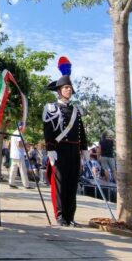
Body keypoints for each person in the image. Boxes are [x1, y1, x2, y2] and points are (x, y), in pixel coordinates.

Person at [43, 56, 88, 227]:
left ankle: (70, 216)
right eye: (66, 88)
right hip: (59, 150)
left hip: (74, 151)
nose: (69, 90)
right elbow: (48, 129)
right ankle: (61, 215)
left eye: (70, 88)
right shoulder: (51, 108)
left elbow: (80, 130)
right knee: (60, 184)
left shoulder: (76, 110)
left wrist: (84, 148)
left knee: (72, 183)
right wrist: (50, 149)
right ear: (59, 90)